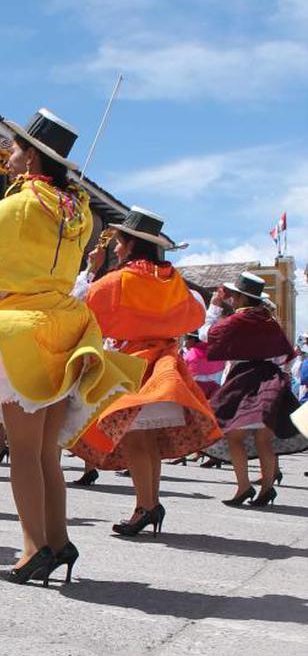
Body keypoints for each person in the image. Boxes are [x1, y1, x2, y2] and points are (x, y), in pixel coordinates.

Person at [0, 109, 143, 585]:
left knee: (24, 451)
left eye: (14, 150)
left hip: (24, 330)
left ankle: (34, 547)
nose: (8, 157)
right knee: (45, 454)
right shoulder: (80, 213)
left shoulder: (18, 206)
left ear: (31, 155)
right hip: (65, 326)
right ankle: (57, 539)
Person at [70, 207, 221, 536]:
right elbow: (196, 314)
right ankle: (149, 504)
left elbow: (80, 307)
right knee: (146, 441)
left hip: (134, 365)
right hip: (164, 366)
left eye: (119, 242)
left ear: (128, 243)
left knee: (137, 440)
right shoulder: (171, 280)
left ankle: (145, 506)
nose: (116, 248)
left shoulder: (119, 280)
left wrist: (91, 270)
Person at [200, 272, 307, 507]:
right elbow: (282, 356)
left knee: (234, 435)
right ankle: (267, 489)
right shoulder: (269, 321)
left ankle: (244, 487)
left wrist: (214, 308)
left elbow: (207, 335)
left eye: (235, 296)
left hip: (246, 381)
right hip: (272, 381)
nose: (233, 300)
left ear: (241, 298)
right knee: (263, 439)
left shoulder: (239, 320)